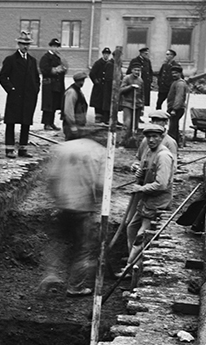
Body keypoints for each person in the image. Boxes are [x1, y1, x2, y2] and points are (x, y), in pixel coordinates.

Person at [40, 126, 107, 296]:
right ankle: (75, 286)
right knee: (83, 248)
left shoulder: (65, 147)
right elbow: (100, 185)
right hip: (83, 207)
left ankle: (51, 274)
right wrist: (96, 207)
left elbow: (52, 177)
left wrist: (57, 199)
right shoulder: (100, 152)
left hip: (63, 205)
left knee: (58, 241)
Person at [125, 124, 176, 273]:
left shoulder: (163, 156)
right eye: (148, 137)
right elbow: (144, 167)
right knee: (131, 228)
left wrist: (140, 188)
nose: (151, 140)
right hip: (145, 200)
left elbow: (161, 185)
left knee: (141, 236)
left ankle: (130, 270)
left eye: (155, 137)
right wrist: (139, 172)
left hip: (157, 202)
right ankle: (134, 262)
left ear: (161, 137)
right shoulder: (148, 151)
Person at [0, 31, 40, 158]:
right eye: (22, 44)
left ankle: (23, 149)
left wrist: (35, 90)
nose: (25, 47)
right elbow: (2, 77)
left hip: (28, 97)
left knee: (26, 123)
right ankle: (9, 150)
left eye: (27, 44)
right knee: (11, 123)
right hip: (15, 97)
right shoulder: (10, 60)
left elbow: (36, 78)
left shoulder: (32, 61)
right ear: (18, 44)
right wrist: (11, 89)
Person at [39, 38, 67, 130]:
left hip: (57, 85)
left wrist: (63, 69)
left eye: (57, 47)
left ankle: (51, 122)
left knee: (54, 104)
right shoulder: (45, 57)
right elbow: (43, 69)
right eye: (54, 46)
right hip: (49, 84)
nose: (56, 49)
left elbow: (63, 68)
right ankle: (46, 123)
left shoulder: (58, 58)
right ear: (50, 47)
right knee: (48, 105)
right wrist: (54, 70)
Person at [119, 64, 143, 146]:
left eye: (138, 70)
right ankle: (123, 141)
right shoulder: (127, 78)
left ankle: (132, 142)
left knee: (135, 125)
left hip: (137, 105)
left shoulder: (140, 80)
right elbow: (121, 90)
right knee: (127, 124)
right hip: (128, 104)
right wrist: (130, 87)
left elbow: (142, 94)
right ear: (132, 70)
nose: (137, 72)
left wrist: (142, 106)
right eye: (135, 70)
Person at [127, 46, 154, 120]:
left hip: (145, 84)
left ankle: (139, 116)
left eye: (147, 53)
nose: (147, 55)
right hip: (136, 83)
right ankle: (134, 116)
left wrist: (150, 82)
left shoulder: (147, 61)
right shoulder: (135, 60)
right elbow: (129, 72)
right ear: (141, 53)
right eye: (145, 53)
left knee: (142, 100)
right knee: (135, 99)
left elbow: (150, 72)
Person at [89, 47, 114, 124]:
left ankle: (105, 117)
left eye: (107, 54)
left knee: (105, 101)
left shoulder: (110, 64)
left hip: (106, 86)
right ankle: (98, 117)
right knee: (98, 101)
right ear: (102, 54)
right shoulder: (98, 63)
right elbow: (92, 73)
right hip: (99, 86)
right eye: (105, 54)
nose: (106, 56)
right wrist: (96, 81)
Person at [166, 66, 189, 145]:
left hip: (176, 109)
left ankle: (171, 143)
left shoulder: (180, 84)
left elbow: (179, 97)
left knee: (172, 128)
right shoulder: (176, 82)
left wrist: (174, 109)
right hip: (174, 108)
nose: (174, 75)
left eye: (176, 73)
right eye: (172, 73)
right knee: (175, 126)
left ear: (180, 73)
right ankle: (176, 142)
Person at [62, 71, 88, 140]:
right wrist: (72, 126)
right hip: (71, 126)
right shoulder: (72, 92)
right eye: (82, 80)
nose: (83, 83)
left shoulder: (78, 91)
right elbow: (68, 111)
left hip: (78, 125)